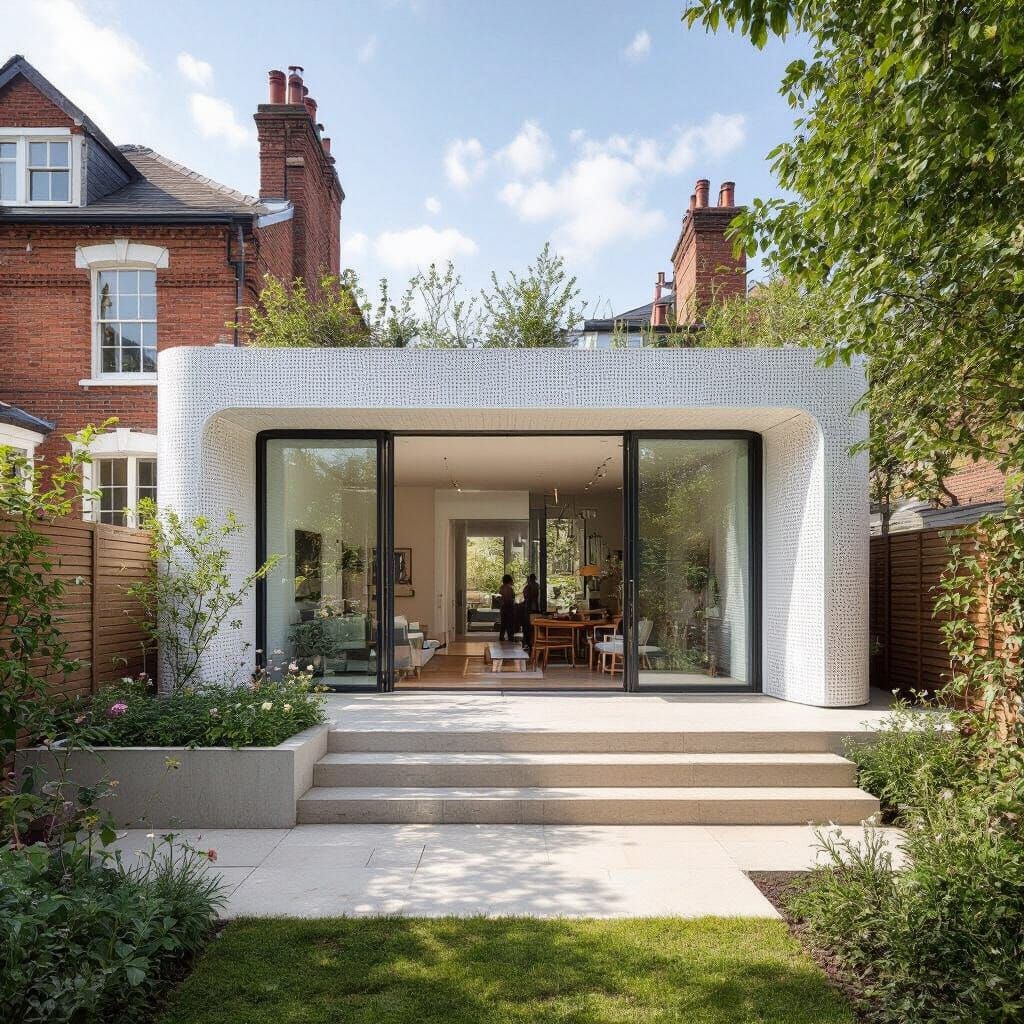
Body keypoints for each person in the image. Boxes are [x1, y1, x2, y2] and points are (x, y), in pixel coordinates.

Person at [522, 572, 541, 649]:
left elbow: (525, 596)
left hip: (529, 608)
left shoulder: (528, 587)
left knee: (528, 625)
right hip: (535, 608)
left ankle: (528, 641)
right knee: (533, 625)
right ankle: (533, 640)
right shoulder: (537, 586)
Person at [498, 573, 517, 643]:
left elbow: (500, 598)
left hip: (503, 607)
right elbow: (511, 598)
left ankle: (501, 636)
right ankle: (510, 636)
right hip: (509, 607)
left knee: (503, 622)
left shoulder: (501, 588)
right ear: (509, 580)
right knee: (510, 622)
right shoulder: (509, 588)